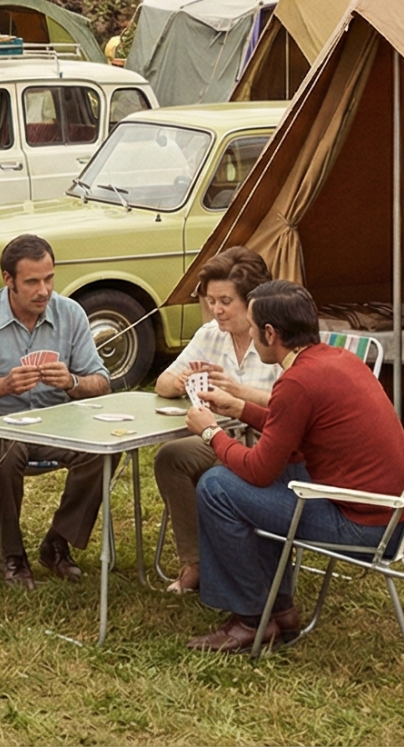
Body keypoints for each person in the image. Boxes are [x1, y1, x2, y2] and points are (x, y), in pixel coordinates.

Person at [183, 280, 404, 653]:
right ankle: (281, 610)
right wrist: (240, 408)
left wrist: (210, 432)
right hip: (398, 515)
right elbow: (288, 431)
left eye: (255, 327)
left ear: (271, 334)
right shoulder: (337, 359)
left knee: (217, 486)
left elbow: (259, 469)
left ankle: (250, 621)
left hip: (367, 529)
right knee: (271, 477)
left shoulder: (298, 381)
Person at [0, 234, 113, 590]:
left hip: (54, 424)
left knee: (107, 445)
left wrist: (72, 382)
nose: (43, 290)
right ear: (9, 280)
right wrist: (4, 385)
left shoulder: (70, 313)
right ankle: (12, 553)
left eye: (49, 279)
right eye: (32, 281)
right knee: (4, 447)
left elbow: (101, 383)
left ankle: (58, 542)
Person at [150, 247, 282, 594]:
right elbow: (162, 383)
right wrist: (179, 382)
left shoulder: (276, 338)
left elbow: (294, 407)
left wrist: (239, 395)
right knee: (172, 456)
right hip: (218, 436)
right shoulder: (211, 334)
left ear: (252, 301)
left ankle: (236, 566)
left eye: (225, 301)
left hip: (268, 445)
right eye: (211, 300)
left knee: (212, 474)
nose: (216, 310)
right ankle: (195, 562)